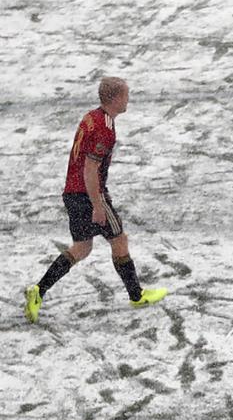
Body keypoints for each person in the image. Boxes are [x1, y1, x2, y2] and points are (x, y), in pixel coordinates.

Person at [23, 77, 167, 324]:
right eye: (125, 95)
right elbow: (90, 169)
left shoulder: (92, 116)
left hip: (71, 193)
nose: (128, 99)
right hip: (90, 195)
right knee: (119, 239)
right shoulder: (105, 129)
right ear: (115, 99)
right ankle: (137, 295)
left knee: (82, 247)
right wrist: (98, 206)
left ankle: (38, 290)